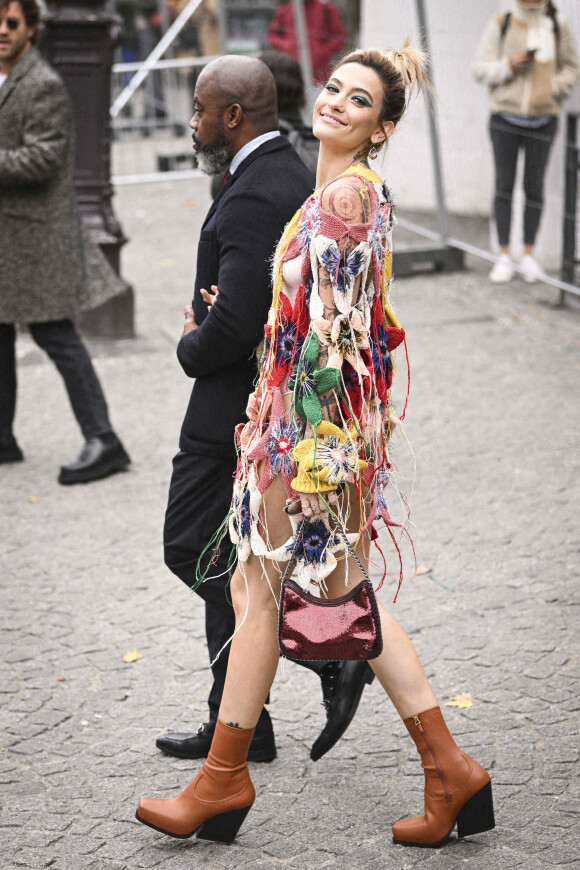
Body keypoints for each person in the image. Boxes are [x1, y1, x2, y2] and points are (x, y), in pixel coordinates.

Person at [136, 44, 495, 849]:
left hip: (313, 437)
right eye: (334, 87)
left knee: (306, 598)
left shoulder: (344, 197)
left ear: (382, 127)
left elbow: (335, 345)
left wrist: (305, 455)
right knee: (277, 596)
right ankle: (439, 770)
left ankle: (236, 779)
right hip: (301, 429)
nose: (335, 102)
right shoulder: (330, 189)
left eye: (358, 101)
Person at [159, 54, 374, 768]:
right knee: (229, 555)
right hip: (256, 409)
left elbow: (236, 323)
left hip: (230, 411)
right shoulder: (285, 168)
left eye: (199, 111)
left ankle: (326, 657)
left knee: (192, 547)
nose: (191, 124)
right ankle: (243, 724)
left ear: (231, 117)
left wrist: (190, 342)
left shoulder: (254, 191)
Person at [0, 0, 130, 483]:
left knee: (57, 336)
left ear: (31, 29)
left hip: (37, 240)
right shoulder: (9, 79)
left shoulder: (43, 84)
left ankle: (104, 439)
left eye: (11, 22)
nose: (2, 30)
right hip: (11, 238)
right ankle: (3, 438)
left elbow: (43, 159)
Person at [472, 0, 579, 285]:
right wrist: (509, 66)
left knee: (535, 187)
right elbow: (479, 68)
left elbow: (572, 67)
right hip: (504, 118)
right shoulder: (502, 22)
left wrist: (552, 88)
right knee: (504, 186)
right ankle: (504, 256)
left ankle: (528, 255)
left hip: (544, 119)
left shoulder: (557, 24)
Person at [268, 0, 346, 84]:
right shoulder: (285, 9)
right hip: (291, 73)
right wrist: (285, 44)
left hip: (318, 75)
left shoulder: (326, 8)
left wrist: (321, 51)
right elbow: (273, 36)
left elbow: (339, 38)